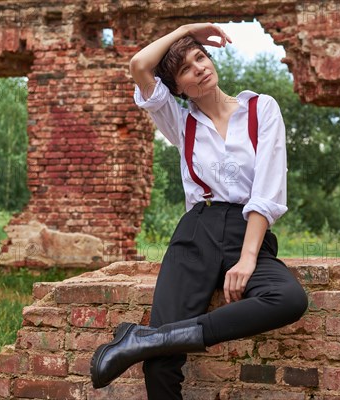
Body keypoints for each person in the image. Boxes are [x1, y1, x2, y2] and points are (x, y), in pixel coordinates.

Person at [90, 22, 308, 399]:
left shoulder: (261, 109)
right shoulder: (180, 122)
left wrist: (247, 258)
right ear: (177, 88)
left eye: (200, 57)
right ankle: (154, 343)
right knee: (160, 363)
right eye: (187, 69)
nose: (200, 68)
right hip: (196, 232)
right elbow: (140, 66)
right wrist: (188, 29)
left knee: (288, 298)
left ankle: (144, 339)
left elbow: (268, 190)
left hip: (247, 231)